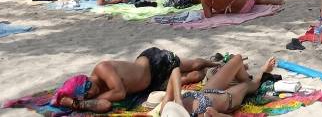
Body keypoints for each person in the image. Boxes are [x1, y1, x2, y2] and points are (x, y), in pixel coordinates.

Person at [53, 49, 215, 113]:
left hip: (154, 62)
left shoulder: (103, 68)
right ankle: (209, 71)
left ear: (88, 86)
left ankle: (215, 63)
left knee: (195, 64)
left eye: (87, 96)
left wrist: (91, 100)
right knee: (195, 76)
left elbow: (120, 92)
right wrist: (77, 104)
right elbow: (106, 105)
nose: (90, 98)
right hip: (150, 84)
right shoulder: (99, 91)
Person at [161, 54, 279, 117]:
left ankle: (243, 75)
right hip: (228, 98)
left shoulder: (166, 111)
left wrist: (178, 100)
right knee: (249, 86)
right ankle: (262, 72)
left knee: (237, 59)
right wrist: (217, 115)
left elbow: (175, 70)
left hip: (205, 92)